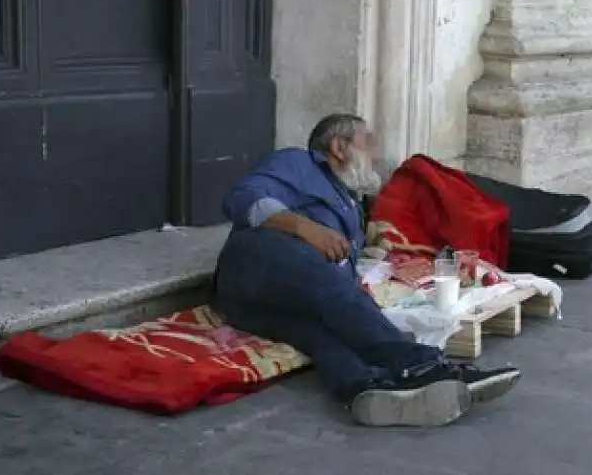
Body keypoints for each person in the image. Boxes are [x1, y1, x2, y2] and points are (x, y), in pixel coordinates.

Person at [211, 113, 521, 426]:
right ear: (338, 147)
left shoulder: (349, 204)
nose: (376, 152)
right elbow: (242, 197)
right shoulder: (298, 163)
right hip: (255, 265)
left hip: (255, 305)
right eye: (367, 141)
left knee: (324, 332)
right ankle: (421, 366)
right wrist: (304, 227)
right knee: (333, 295)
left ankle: (364, 388)